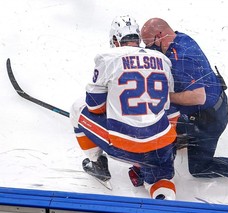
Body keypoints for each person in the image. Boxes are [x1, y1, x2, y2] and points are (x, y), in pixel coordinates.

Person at [140, 18, 228, 178]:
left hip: (209, 120)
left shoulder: (183, 58)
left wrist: (165, 97)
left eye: (149, 44)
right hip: (215, 102)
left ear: (160, 35)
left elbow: (198, 97)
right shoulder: (181, 38)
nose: (150, 48)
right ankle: (183, 137)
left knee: (199, 169)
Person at [70, 15, 179, 200]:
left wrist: (115, 105)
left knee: (77, 107)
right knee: (161, 182)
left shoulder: (108, 57)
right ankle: (160, 190)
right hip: (160, 145)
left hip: (125, 145)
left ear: (115, 39)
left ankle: (97, 163)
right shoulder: (163, 59)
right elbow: (168, 105)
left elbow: (95, 107)